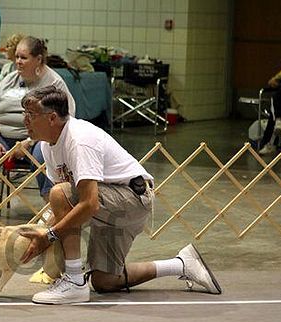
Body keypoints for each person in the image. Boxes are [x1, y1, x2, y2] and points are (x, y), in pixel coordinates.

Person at [19, 86, 222, 305]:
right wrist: (39, 238)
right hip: (112, 203)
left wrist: (49, 236)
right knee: (105, 282)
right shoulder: (49, 146)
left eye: (31, 115)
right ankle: (181, 264)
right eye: (24, 114)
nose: (25, 120)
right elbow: (65, 208)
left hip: (132, 199)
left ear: (52, 118)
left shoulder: (79, 139)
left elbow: (88, 204)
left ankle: (75, 281)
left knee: (59, 194)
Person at [0, 36, 76, 219]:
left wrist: (29, 141)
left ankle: (50, 206)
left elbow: (65, 120)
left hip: (37, 141)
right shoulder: (9, 78)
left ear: (38, 59)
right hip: (3, 138)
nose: (18, 61)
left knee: (45, 151)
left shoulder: (54, 83)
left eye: (23, 57)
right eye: (16, 57)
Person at [259, 62, 281, 155]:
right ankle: (278, 123)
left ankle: (278, 121)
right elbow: (272, 81)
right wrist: (279, 82)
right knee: (276, 97)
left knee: (275, 114)